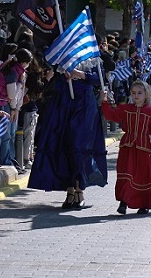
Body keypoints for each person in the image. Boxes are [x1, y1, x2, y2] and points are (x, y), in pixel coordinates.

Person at [28, 58, 108, 208]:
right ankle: (69, 189)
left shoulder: (93, 57)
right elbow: (54, 79)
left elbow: (100, 79)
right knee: (63, 143)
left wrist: (80, 74)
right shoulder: (62, 56)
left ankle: (80, 189)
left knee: (80, 145)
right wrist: (62, 74)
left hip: (84, 104)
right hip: (63, 103)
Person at [101, 81, 151, 214]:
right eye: (134, 93)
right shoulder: (125, 109)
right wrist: (104, 100)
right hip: (127, 147)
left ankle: (144, 204)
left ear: (146, 94)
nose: (136, 96)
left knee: (142, 176)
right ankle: (123, 202)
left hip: (143, 148)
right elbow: (110, 115)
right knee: (125, 173)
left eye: (140, 93)